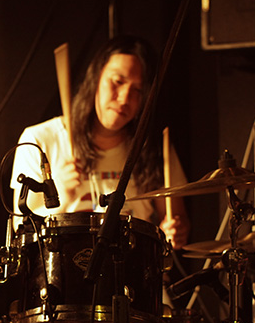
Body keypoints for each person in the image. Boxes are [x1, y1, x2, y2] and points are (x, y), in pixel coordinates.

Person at [11, 35, 189, 249]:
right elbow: (20, 229)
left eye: (137, 90)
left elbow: (176, 219)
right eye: (118, 82)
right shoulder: (40, 140)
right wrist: (59, 194)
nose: (124, 98)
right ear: (95, 78)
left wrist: (174, 231)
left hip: (130, 263)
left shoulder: (153, 147)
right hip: (61, 263)